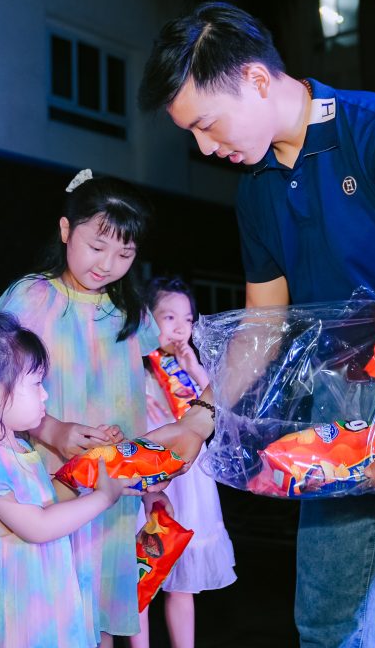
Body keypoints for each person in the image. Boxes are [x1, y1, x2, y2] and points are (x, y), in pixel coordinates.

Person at [138, 2, 375, 646]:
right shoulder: (256, 189)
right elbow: (263, 325)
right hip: (336, 406)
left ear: (256, 79)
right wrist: (200, 417)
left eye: (207, 124)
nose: (204, 147)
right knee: (326, 624)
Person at [0, 170, 163, 647]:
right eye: (96, 246)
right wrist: (51, 429)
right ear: (66, 230)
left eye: (124, 254)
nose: (107, 264)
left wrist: (152, 476)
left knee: (100, 611)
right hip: (48, 486)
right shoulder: (31, 297)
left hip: (113, 490)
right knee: (53, 611)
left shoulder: (131, 314)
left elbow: (146, 400)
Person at [0, 311, 138, 647]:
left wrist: (93, 467)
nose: (45, 395)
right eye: (36, 384)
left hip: (36, 611)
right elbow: (37, 526)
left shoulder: (20, 448)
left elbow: (47, 503)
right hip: (11, 622)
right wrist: (102, 497)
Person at [131, 277, 236, 648]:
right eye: (169, 317)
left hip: (188, 480)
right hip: (147, 474)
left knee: (183, 579)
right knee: (140, 576)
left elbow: (220, 407)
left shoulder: (187, 369)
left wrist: (192, 365)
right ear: (146, 319)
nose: (180, 328)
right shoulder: (134, 368)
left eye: (188, 319)